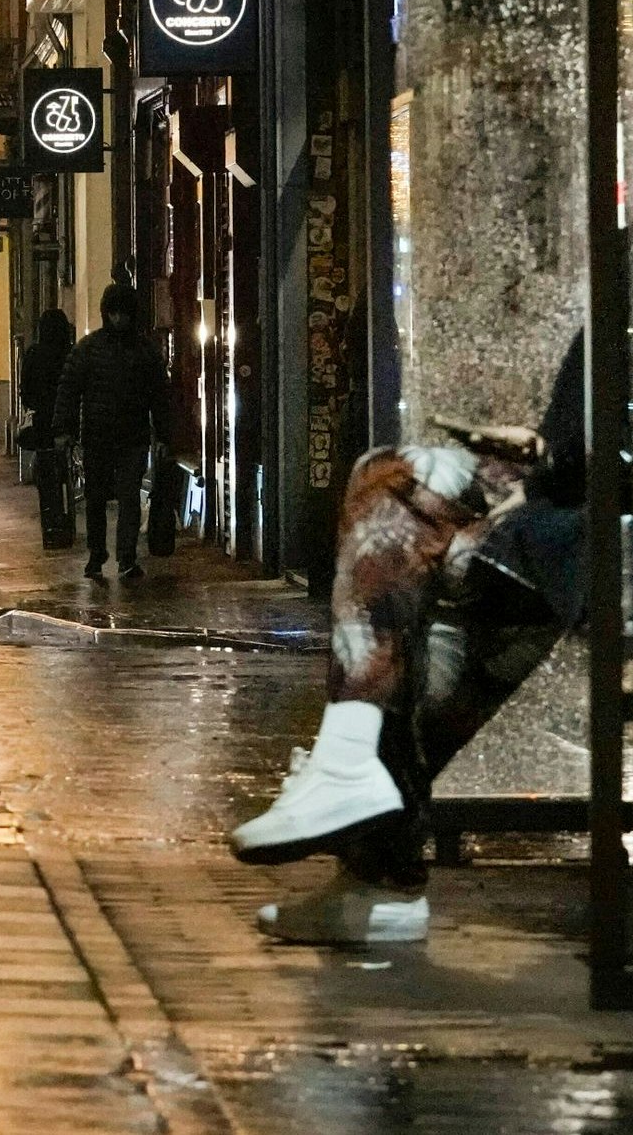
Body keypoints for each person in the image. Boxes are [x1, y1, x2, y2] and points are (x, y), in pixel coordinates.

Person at [232, 338, 584, 946]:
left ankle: (357, 796)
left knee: (396, 497)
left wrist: (549, 457)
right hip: (573, 517)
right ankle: (363, 822)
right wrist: (541, 450)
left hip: (599, 538)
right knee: (404, 559)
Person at [62, 284, 160, 581]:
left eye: (123, 313)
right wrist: (63, 428)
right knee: (97, 498)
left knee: (127, 497)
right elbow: (68, 391)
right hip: (101, 436)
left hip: (125, 436)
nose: (119, 319)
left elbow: (160, 395)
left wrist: (165, 434)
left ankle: (125, 557)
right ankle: (98, 553)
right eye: (114, 313)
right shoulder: (92, 349)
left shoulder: (132, 350)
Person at [18, 307, 78, 549]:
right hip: (67, 424)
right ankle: (69, 523)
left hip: (43, 426)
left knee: (47, 482)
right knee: (69, 475)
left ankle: (51, 528)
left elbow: (26, 394)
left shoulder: (33, 354)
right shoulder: (70, 355)